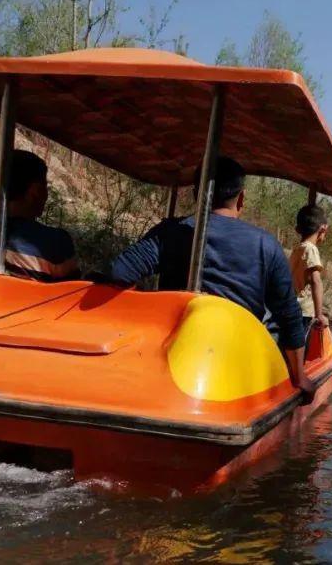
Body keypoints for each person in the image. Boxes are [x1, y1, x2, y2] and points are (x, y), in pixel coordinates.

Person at [108, 156, 315, 400]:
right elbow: (289, 316)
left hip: (171, 357)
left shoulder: (171, 232)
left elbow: (119, 273)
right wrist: (299, 377)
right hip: (238, 362)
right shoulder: (266, 244)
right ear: (241, 198)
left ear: (197, 194)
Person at [0, 150, 79, 282]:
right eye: (44, 187)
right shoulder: (57, 242)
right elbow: (72, 295)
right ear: (35, 191)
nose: (46, 194)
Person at [290, 204, 329, 332]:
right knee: (302, 348)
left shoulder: (297, 249)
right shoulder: (311, 249)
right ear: (323, 229)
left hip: (292, 306)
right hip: (303, 312)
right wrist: (319, 314)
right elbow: (315, 281)